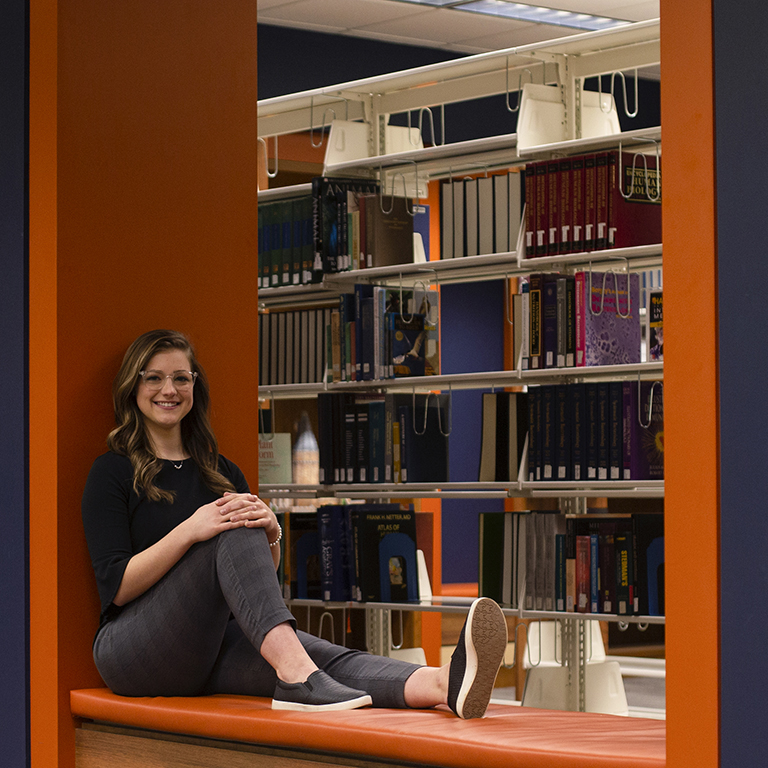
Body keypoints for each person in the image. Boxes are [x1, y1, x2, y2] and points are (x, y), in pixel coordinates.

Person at [82, 329, 507, 715]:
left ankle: (441, 683)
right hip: (134, 651)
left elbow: (254, 583)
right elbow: (117, 586)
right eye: (153, 378)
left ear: (196, 386)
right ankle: (298, 677)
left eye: (181, 378)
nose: (168, 389)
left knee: (327, 657)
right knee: (238, 539)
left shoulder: (221, 473)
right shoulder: (112, 472)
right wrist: (193, 529)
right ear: (133, 387)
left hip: (209, 648)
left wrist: (272, 532)